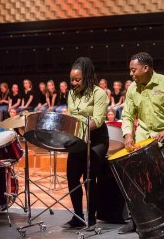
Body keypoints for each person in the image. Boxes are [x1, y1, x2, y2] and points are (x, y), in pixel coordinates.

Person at [119, 52, 164, 235]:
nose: (131, 74)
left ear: (146, 68)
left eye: (133, 70)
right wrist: (128, 134)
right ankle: (139, 222)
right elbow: (128, 115)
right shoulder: (132, 89)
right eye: (130, 70)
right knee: (143, 183)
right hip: (145, 143)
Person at [61, 57, 109, 230]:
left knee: (89, 178)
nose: (73, 83)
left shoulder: (99, 93)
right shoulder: (71, 93)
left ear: (87, 76)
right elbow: (70, 115)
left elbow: (98, 119)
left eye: (77, 79)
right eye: (71, 79)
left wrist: (81, 127)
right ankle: (77, 216)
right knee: (72, 177)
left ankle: (91, 217)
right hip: (77, 139)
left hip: (96, 140)